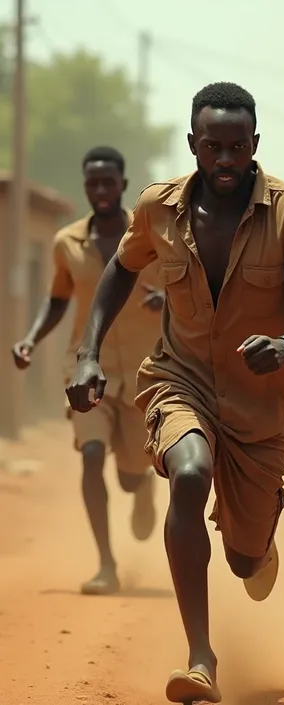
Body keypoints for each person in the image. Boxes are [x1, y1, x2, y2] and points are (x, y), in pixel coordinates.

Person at [66, 82, 284, 703]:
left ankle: (256, 533)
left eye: (237, 147)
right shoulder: (159, 209)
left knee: (246, 563)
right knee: (188, 472)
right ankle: (201, 658)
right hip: (179, 375)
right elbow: (119, 268)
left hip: (257, 400)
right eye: (213, 146)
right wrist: (88, 352)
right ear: (193, 144)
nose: (225, 160)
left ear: (254, 146)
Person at [12, 146, 165, 596]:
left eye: (108, 182)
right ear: (85, 186)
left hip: (143, 371)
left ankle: (143, 490)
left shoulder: (150, 239)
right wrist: (31, 338)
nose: (100, 190)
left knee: (131, 474)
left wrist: (168, 302)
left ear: (122, 183)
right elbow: (58, 299)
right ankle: (106, 564)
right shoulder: (66, 242)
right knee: (93, 454)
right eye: (92, 182)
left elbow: (187, 287)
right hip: (86, 368)